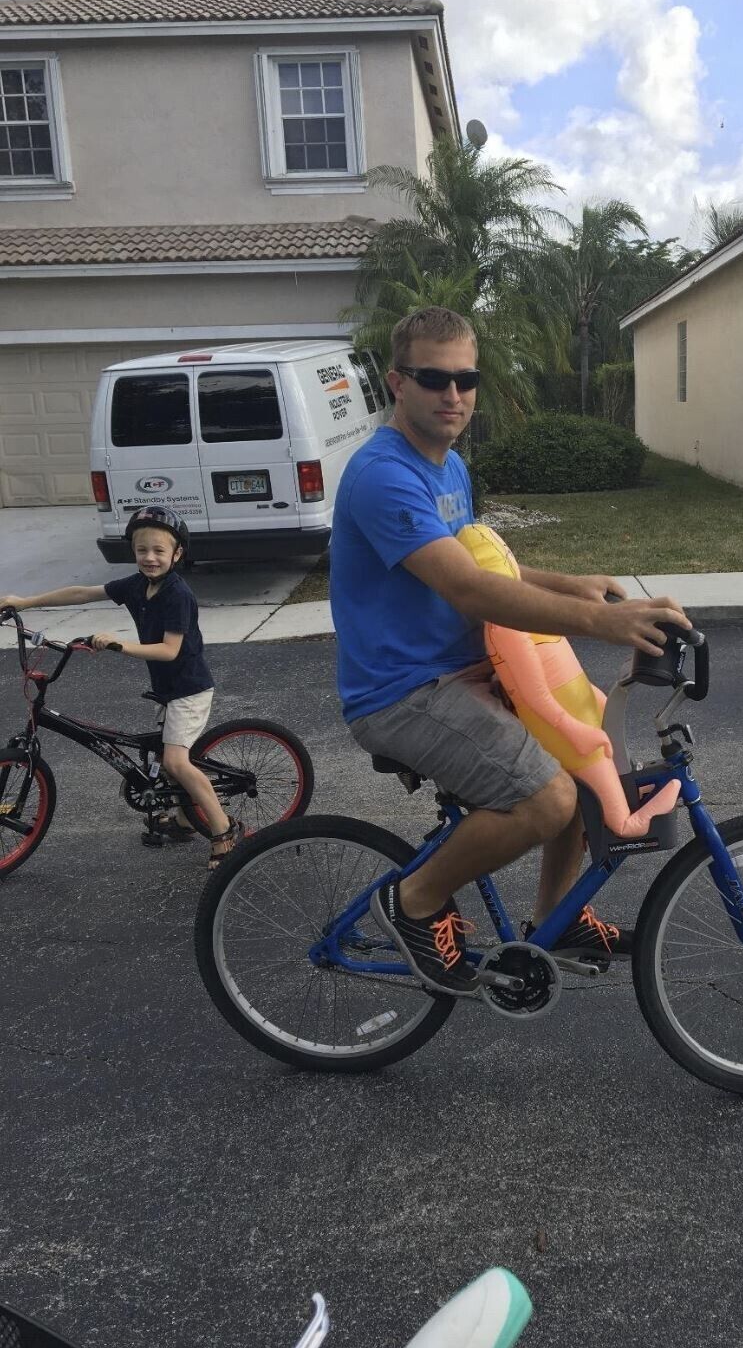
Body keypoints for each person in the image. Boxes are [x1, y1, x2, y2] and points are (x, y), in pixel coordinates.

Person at [330, 306, 692, 997]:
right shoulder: (384, 475)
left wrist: (571, 585)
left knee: (591, 763)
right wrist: (599, 622)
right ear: (398, 383)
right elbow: (469, 589)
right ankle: (413, 902)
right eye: (435, 378)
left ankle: (557, 918)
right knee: (547, 799)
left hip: (464, 674)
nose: (454, 395)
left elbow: (485, 564)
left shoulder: (449, 468)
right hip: (403, 693)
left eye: (467, 378)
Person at [0, 506, 242, 870]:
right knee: (164, 760)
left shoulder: (177, 594)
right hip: (166, 687)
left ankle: (224, 831)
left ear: (177, 554)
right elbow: (83, 593)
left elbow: (170, 649)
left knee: (176, 760)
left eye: (160, 550)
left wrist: (118, 644)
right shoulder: (136, 585)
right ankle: (182, 819)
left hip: (188, 690)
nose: (150, 557)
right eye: (142, 549)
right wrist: (26, 602)